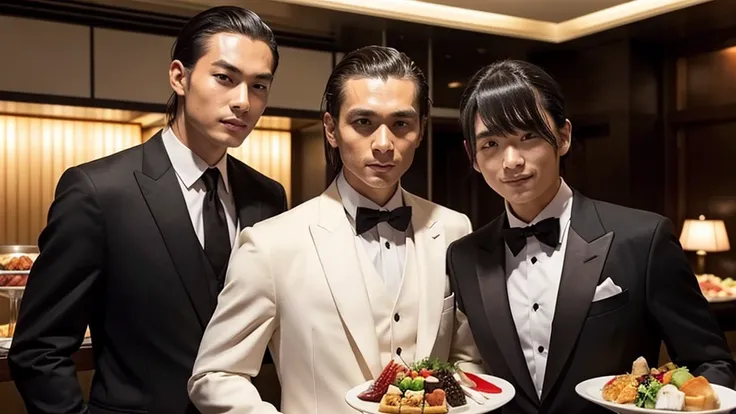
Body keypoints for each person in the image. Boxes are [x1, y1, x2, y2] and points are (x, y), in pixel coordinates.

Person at [8, 6, 287, 414]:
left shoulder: (268, 196)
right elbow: (39, 349)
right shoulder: (99, 192)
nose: (244, 101)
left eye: (259, 86)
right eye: (225, 78)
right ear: (179, 76)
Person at [187, 45, 482, 413]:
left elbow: (466, 359)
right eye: (363, 123)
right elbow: (215, 374)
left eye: (401, 124)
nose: (384, 144)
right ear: (331, 129)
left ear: (420, 130)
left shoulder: (453, 229)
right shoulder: (271, 244)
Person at [445, 59, 736, 414]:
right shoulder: (464, 255)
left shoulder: (643, 239)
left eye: (528, 136)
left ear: (563, 136)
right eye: (490, 143)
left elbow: (712, 366)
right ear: (472, 157)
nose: (511, 161)